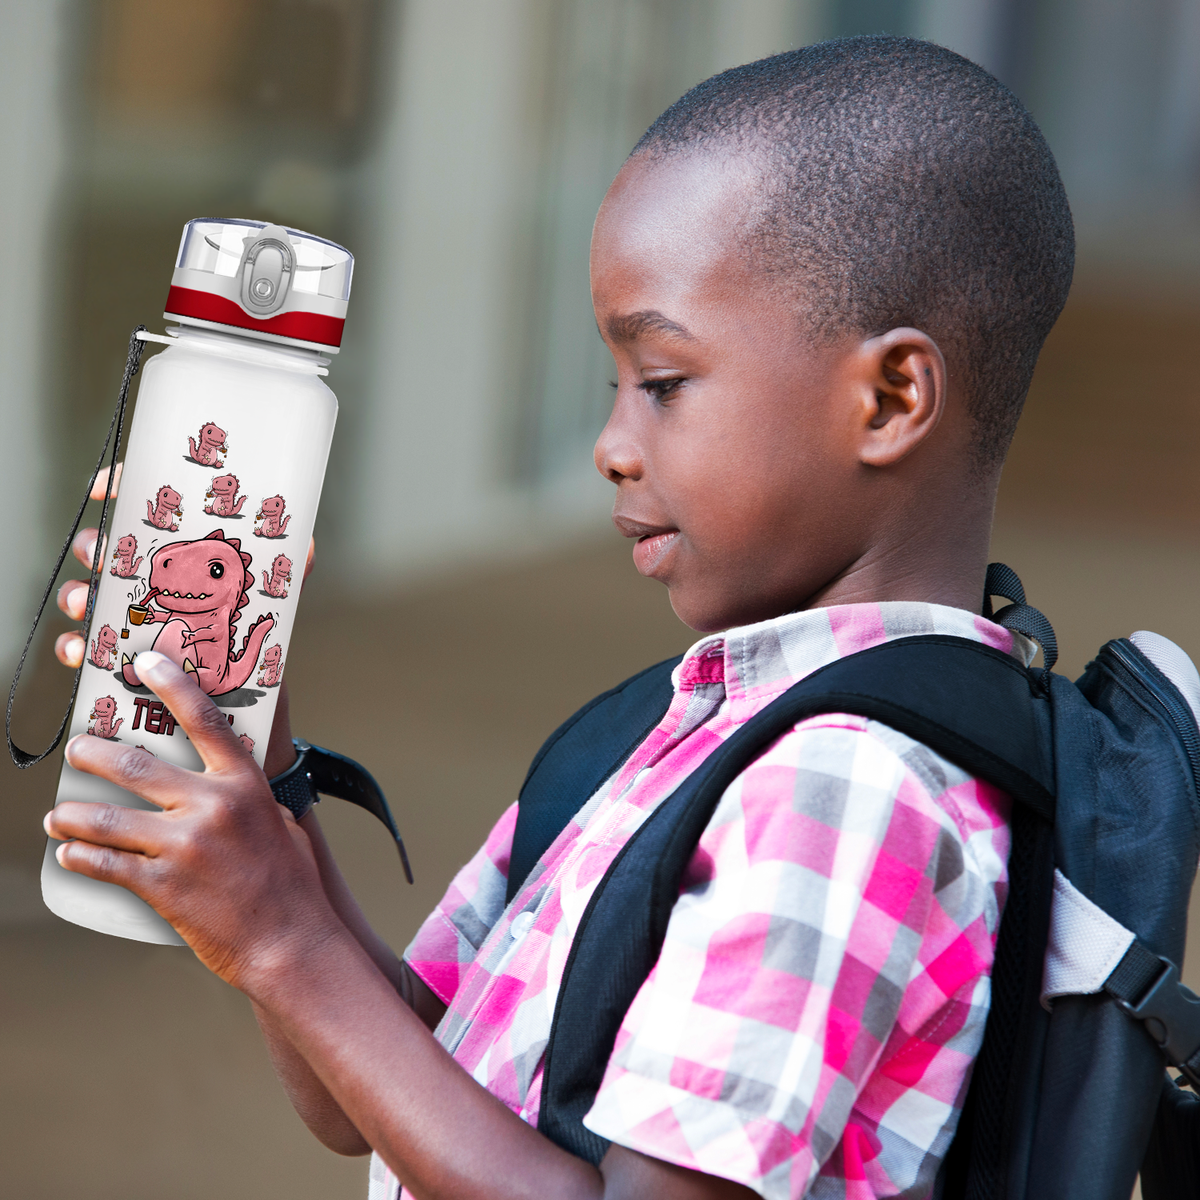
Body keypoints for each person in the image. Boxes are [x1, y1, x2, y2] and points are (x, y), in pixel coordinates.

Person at [46, 36, 1074, 1200]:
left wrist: (286, 940)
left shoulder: (845, 789)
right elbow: (373, 1093)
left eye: (665, 383)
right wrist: (264, 770)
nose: (611, 446)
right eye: (611, 386)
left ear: (889, 399)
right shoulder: (695, 722)